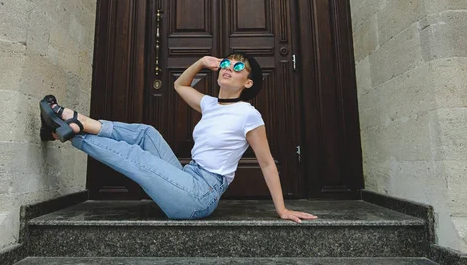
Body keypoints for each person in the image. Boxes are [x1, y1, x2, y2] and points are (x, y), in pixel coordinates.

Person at [39, 53, 317, 223]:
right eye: (225, 63)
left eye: (237, 67)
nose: (227, 67)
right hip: (188, 176)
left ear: (248, 83)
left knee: (139, 158)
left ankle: (71, 130)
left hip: (200, 195)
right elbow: (179, 84)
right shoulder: (210, 104)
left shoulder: (248, 114)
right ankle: (72, 121)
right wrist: (199, 63)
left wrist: (281, 209)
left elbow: (267, 163)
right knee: (148, 133)